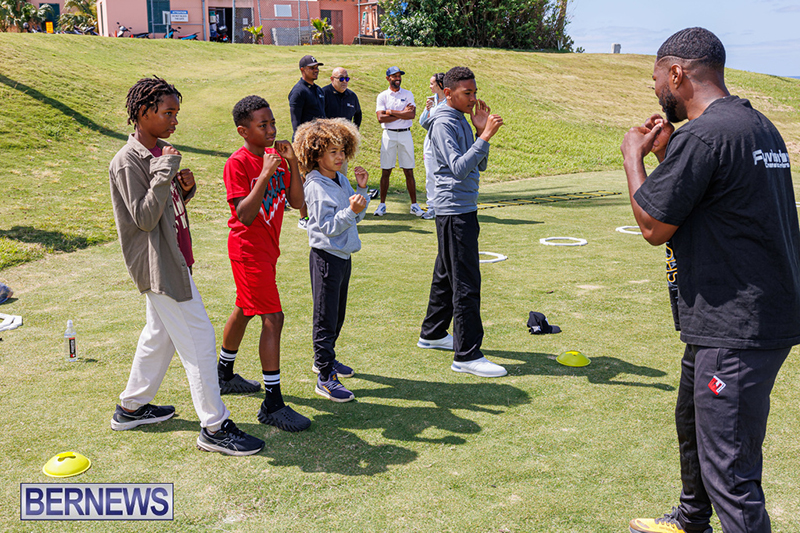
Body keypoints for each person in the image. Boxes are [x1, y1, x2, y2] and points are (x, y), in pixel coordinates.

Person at [621, 28, 800, 533]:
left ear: (676, 73)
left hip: (736, 323)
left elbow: (654, 226)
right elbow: (715, 199)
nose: (655, 88)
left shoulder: (706, 134)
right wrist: (668, 158)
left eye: (656, 77)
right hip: (741, 315)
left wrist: (632, 156)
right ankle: (691, 518)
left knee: (731, 470)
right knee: (692, 423)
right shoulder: (754, 125)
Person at [108, 76, 264, 456]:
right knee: (199, 338)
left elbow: (161, 213)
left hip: (174, 258)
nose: (174, 121)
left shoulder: (159, 151)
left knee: (157, 337)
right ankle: (214, 426)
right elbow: (143, 218)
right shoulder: (128, 161)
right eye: (167, 113)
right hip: (159, 268)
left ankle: (131, 407)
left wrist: (184, 190)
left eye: (176, 113)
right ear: (143, 113)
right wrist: (165, 171)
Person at [216, 95, 311, 433]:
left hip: (268, 251)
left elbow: (298, 202)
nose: (271, 130)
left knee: (245, 308)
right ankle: (273, 402)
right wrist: (265, 174)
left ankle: (223, 374)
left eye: (273, 123)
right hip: (247, 250)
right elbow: (244, 214)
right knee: (273, 317)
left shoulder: (278, 159)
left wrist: (292, 163)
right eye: (263, 125)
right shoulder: (238, 163)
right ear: (244, 131)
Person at [417, 66, 507, 378]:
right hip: (454, 209)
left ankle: (433, 332)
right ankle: (467, 355)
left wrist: (478, 128)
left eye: (474, 92)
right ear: (448, 92)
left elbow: (478, 164)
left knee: (446, 271)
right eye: (467, 93)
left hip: (461, 206)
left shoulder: (460, 120)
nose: (473, 98)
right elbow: (457, 168)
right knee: (466, 281)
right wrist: (484, 135)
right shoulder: (443, 122)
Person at [293, 118, 369, 403]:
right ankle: (325, 376)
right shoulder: (315, 185)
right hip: (326, 257)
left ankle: (326, 359)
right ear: (315, 154)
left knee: (337, 314)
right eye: (332, 152)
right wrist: (351, 211)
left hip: (343, 254)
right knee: (325, 317)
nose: (340, 157)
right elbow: (326, 226)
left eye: (341, 151)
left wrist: (360, 191)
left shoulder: (341, 178)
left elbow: (355, 215)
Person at [374, 66, 423, 217]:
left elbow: (412, 115)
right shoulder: (382, 96)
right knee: (386, 170)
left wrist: (391, 112)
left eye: (399, 76)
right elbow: (381, 118)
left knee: (408, 170)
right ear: (388, 78)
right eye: (394, 76)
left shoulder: (408, 94)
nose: (397, 78)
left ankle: (414, 205)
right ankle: (382, 205)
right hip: (388, 134)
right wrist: (402, 114)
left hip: (405, 134)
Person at [288, 55, 326, 230]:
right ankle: (303, 218)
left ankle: (320, 215)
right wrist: (300, 146)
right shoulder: (298, 91)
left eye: (317, 67)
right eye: (312, 67)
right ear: (302, 70)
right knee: (303, 180)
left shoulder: (318, 90)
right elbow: (296, 122)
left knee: (320, 179)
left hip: (320, 142)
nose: (316, 70)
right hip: (304, 144)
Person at [322, 66, 362, 177]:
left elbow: (358, 114)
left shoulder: (352, 96)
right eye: (341, 79)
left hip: (343, 143)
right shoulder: (323, 93)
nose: (344, 81)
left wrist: (354, 130)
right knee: (325, 173)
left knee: (341, 173)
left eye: (347, 79)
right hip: (326, 142)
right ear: (332, 79)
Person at [419, 72, 446, 220]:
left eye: (432, 84)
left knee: (442, 175)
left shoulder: (450, 102)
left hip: (443, 143)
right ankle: (432, 207)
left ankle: (443, 206)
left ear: (440, 85)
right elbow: (423, 122)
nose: (430, 86)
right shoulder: (432, 100)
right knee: (430, 175)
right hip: (430, 143)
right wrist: (427, 109)